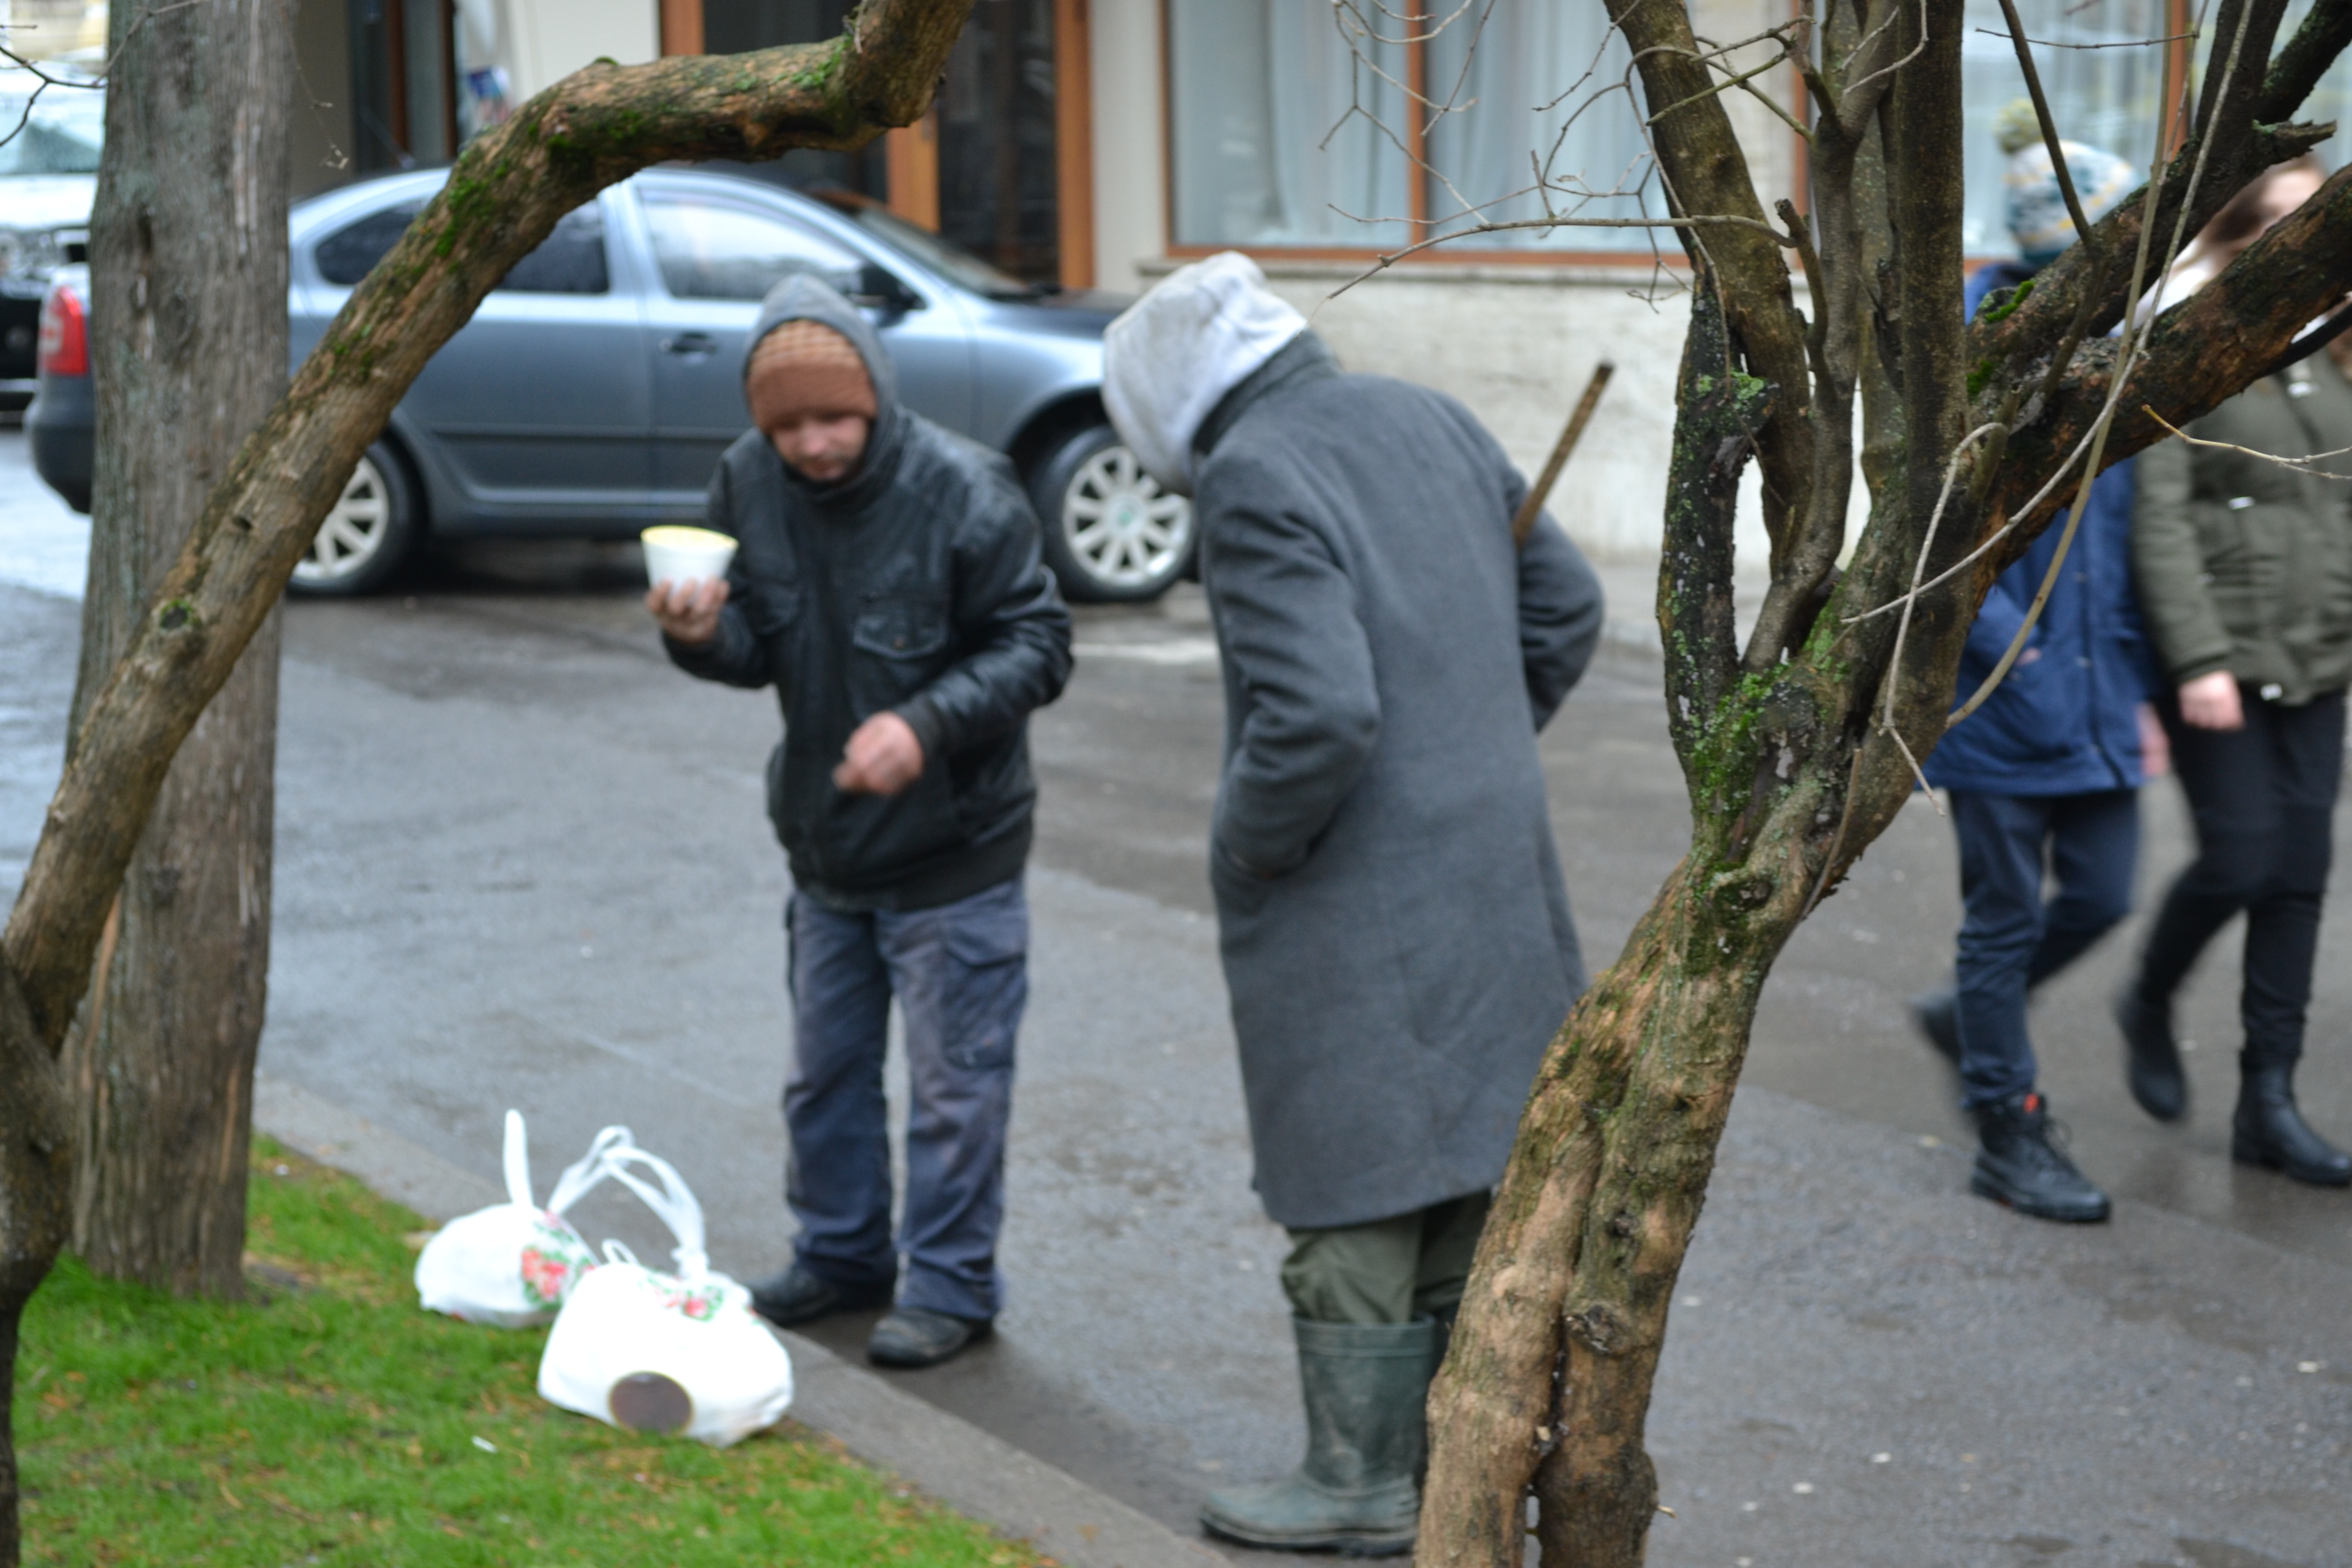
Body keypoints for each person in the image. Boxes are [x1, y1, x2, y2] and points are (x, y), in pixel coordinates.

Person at [1102, 252, 1604, 1554]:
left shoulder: (1256, 472)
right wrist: (1476, 743)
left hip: (1345, 880)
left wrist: (1246, 848)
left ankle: (1359, 1485)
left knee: (1355, 1173)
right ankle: (1448, 1472)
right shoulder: (1425, 411)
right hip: (1491, 861)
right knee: (1463, 1164)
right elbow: (1565, 604)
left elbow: (1318, 714)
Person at [650, 275, 1073, 1367]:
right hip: (827, 846)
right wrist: (698, 634)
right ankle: (840, 1257)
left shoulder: (965, 490)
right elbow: (754, 650)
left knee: (953, 1088)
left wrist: (925, 725)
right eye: (787, 425)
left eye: (834, 418)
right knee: (825, 1076)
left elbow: (1038, 647)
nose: (813, 444)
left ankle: (951, 1287)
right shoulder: (749, 480)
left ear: (878, 396)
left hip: (957, 856)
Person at [1909, 121, 2154, 1224]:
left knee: (2104, 894)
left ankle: (1972, 1015)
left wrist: (2133, 677)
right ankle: (2006, 1126)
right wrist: (2021, 658)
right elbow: (1944, 541)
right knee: (2003, 918)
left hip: (2101, 687)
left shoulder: (2129, 343)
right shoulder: (1986, 347)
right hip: (2006, 690)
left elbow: (2132, 533)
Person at [2120, 156, 2352, 1188]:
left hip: (2320, 646)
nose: (2306, 243)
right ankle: (2151, 994)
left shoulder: (2334, 343)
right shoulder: (2190, 337)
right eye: (2285, 222)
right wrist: (2200, 658)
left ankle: (2270, 1100)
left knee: (2299, 880)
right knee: (2247, 857)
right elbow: (2157, 514)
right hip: (2222, 653)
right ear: (2243, 226)